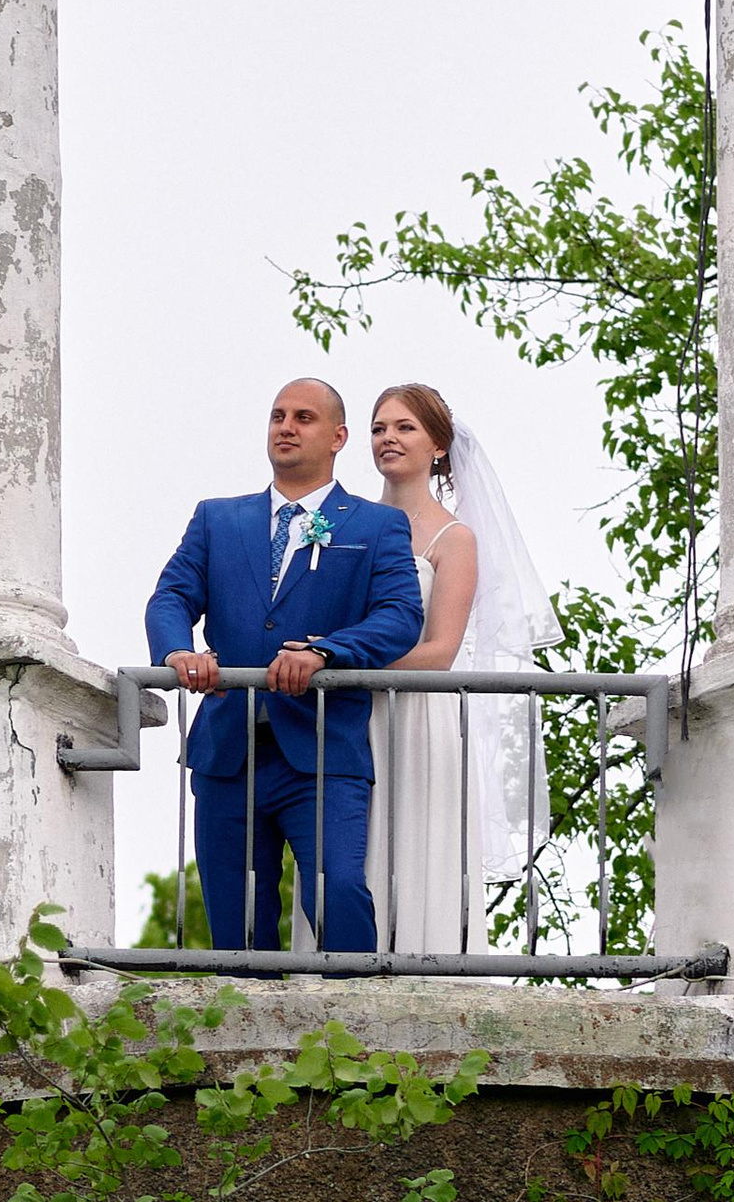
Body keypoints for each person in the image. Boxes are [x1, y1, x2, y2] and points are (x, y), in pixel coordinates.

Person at [146, 378, 424, 950]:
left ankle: (357, 1025)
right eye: (278, 416)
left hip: (324, 749)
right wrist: (177, 651)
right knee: (236, 914)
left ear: (338, 437)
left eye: (304, 417)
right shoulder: (217, 519)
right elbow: (171, 597)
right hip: (227, 749)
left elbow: (400, 616)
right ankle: (251, 1032)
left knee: (339, 890)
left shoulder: (376, 526)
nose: (286, 427)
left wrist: (326, 651)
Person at [361, 384, 560, 953]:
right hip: (348, 712)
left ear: (439, 447)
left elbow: (441, 650)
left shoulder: (456, 538)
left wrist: (339, 658)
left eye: (405, 428)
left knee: (416, 843)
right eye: (379, 428)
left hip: (420, 713)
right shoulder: (346, 524)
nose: (389, 439)